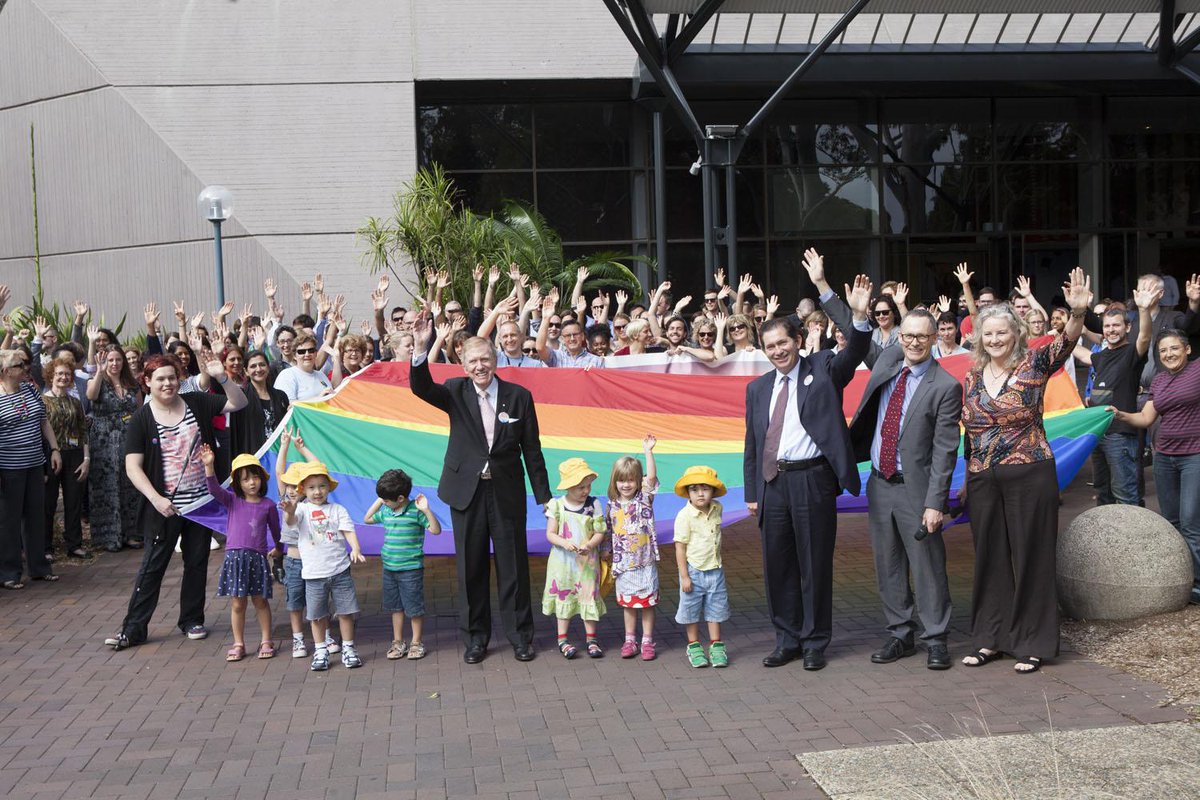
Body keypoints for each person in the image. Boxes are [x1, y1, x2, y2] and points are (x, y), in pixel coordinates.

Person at [959, 267, 1091, 674]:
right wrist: (967, 477)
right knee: (990, 558)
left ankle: (1033, 642)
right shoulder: (971, 375)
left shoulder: (1035, 362)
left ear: (1016, 333)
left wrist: (1078, 312)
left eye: (1002, 332)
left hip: (1030, 474)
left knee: (1032, 557)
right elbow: (970, 432)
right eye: (988, 334)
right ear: (979, 337)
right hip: (983, 479)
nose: (995, 339)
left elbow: (1067, 341)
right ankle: (990, 638)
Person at [746, 250, 872, 671]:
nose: (777, 350)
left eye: (783, 342)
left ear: (798, 341)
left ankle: (815, 641)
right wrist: (753, 493)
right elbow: (752, 444)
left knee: (814, 565)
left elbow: (857, 348)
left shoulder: (825, 368)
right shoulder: (757, 389)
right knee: (778, 566)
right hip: (773, 485)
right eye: (770, 346)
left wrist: (837, 299)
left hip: (813, 481)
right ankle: (787, 640)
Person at [409, 311, 552, 664]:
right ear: (463, 365)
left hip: (506, 492)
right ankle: (476, 639)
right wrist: (421, 348)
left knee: (513, 567)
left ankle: (520, 637)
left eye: (485, 359)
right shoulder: (455, 391)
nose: (479, 366)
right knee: (470, 568)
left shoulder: (519, 396)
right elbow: (421, 388)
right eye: (472, 361)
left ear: (495, 359)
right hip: (466, 493)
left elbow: (532, 450)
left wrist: (545, 498)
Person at [104, 352, 247, 650]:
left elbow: (239, 403)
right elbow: (133, 467)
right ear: (147, 382)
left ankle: (192, 619)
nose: (167, 383)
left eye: (172, 378)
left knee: (197, 562)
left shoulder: (196, 402)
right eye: (160, 379)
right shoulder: (142, 418)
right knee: (152, 567)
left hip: (201, 504)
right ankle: (133, 629)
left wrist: (222, 377)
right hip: (165, 507)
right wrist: (155, 499)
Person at [848, 309, 963, 671]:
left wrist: (935, 503)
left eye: (922, 336)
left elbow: (945, 451)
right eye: (908, 336)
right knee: (889, 564)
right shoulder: (887, 363)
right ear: (899, 338)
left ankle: (936, 638)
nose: (914, 342)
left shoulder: (945, 386)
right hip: (879, 484)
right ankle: (900, 634)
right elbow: (855, 334)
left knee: (928, 566)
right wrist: (825, 290)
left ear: (934, 340)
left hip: (917, 491)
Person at [1110, 329, 1200, 604]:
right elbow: (1146, 418)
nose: (1168, 354)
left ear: (1187, 349)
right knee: (1172, 521)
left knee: (1190, 522)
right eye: (1163, 351)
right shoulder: (1159, 380)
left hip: (1194, 456)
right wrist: (1119, 415)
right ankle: (1182, 578)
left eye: (1174, 348)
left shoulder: (1197, 369)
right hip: (1164, 457)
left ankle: (1198, 584)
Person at [1073, 280, 1158, 506]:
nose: (1111, 330)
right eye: (1107, 326)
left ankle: (1132, 532)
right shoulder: (1101, 356)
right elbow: (1081, 353)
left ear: (1127, 328)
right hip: (1098, 433)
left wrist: (1143, 309)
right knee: (1103, 493)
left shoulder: (1132, 353)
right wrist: (1062, 333)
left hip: (1121, 435)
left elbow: (1145, 337)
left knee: (1126, 496)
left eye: (1116, 325)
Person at [284, 461, 366, 670]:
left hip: (340, 570)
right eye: (311, 487)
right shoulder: (302, 509)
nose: (317, 491)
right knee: (317, 615)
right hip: (313, 574)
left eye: (322, 486)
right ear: (303, 490)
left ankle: (348, 648)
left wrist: (355, 548)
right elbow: (291, 521)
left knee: (346, 612)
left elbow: (348, 530)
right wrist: (289, 511)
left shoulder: (338, 510)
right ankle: (320, 650)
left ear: (329, 487)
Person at [202, 447, 281, 662]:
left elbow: (277, 531)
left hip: (257, 559)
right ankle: (238, 643)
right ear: (238, 483)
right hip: (235, 559)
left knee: (260, 601)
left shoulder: (268, 505)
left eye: (255, 477)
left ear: (262, 479)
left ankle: (266, 640)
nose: (252, 483)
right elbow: (213, 489)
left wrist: (279, 549)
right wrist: (209, 466)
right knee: (238, 604)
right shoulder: (232, 500)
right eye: (245, 479)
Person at [0, 348, 61, 589]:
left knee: (36, 516)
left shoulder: (29, 390)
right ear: (6, 371)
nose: (25, 368)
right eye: (19, 365)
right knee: (9, 520)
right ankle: (9, 573)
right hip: (9, 468)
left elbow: (44, 421)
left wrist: (54, 449)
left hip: (35, 463)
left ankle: (39, 568)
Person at [365, 469, 442, 661]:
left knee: (414, 609)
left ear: (400, 498)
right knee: (395, 607)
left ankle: (416, 642)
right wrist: (381, 499)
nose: (384, 502)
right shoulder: (386, 511)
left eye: (386, 500)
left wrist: (426, 510)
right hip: (389, 569)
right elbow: (367, 519)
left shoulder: (415, 512)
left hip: (411, 570)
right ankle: (398, 641)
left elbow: (435, 530)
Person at [542, 458, 608, 659]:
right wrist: (564, 542)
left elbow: (600, 531)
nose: (586, 490)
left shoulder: (593, 504)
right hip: (563, 565)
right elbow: (550, 533)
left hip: (587, 565)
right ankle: (562, 640)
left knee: (588, 597)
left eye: (588, 486)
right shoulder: (556, 505)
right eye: (580, 487)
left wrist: (590, 545)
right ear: (568, 486)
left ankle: (592, 640)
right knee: (564, 597)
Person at [606, 435, 660, 661]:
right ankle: (630, 640)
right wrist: (606, 551)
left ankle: (647, 640)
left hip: (645, 561)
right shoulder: (611, 505)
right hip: (623, 564)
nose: (626, 484)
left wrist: (648, 451)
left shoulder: (643, 498)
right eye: (621, 480)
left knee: (647, 603)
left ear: (638, 481)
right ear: (615, 481)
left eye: (631, 480)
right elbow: (608, 531)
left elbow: (652, 478)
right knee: (628, 604)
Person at [87, 344, 142, 552]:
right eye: (110, 360)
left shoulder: (131, 383)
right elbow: (91, 396)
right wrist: (99, 372)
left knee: (130, 485)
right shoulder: (99, 381)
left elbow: (139, 410)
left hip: (129, 439)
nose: (114, 363)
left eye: (118, 359)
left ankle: (132, 533)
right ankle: (109, 537)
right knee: (107, 487)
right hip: (104, 442)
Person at [673, 465, 730, 669]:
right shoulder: (684, 516)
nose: (700, 493)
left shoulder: (717, 508)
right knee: (691, 609)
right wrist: (684, 576)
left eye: (705, 489)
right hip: (693, 571)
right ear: (687, 492)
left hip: (715, 569)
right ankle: (694, 645)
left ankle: (716, 645)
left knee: (716, 608)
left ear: (713, 491)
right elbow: (680, 547)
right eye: (694, 489)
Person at [43, 357, 90, 559]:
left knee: (73, 501)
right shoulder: (42, 401)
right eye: (60, 373)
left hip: (75, 454)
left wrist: (86, 459)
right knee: (48, 502)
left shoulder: (76, 402)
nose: (64, 377)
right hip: (51, 454)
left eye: (67, 374)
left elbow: (83, 431)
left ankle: (74, 544)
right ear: (51, 376)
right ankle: (46, 547)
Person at [231, 350, 289, 456]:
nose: (258, 369)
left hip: (280, 453)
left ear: (268, 367)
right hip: (255, 456)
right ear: (246, 371)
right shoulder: (241, 398)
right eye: (253, 366)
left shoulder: (281, 396)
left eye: (262, 365)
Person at [273, 333, 332, 401]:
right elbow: (289, 405)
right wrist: (319, 399)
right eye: (301, 352)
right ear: (294, 356)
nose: (307, 354)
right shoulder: (287, 375)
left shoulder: (321, 375)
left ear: (316, 353)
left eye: (311, 350)